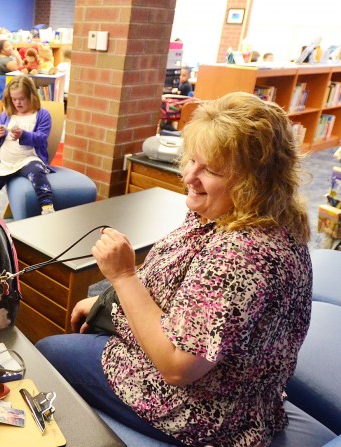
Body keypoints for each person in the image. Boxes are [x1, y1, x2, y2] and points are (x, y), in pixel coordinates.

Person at [36, 92, 317, 446]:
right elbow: (189, 295)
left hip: (206, 409)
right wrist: (110, 304)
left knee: (47, 353)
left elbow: (176, 365)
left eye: (210, 170)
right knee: (82, 326)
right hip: (210, 375)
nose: (189, 175)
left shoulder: (243, 256)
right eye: (191, 160)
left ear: (255, 181)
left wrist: (123, 278)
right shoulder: (241, 213)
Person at [0, 75, 55, 214]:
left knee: (38, 174)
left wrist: (24, 135)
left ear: (31, 96)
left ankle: (47, 206)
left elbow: (42, 138)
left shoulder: (42, 114)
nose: (18, 103)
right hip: (7, 162)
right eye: (14, 99)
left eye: (22, 99)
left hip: (29, 159)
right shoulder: (7, 114)